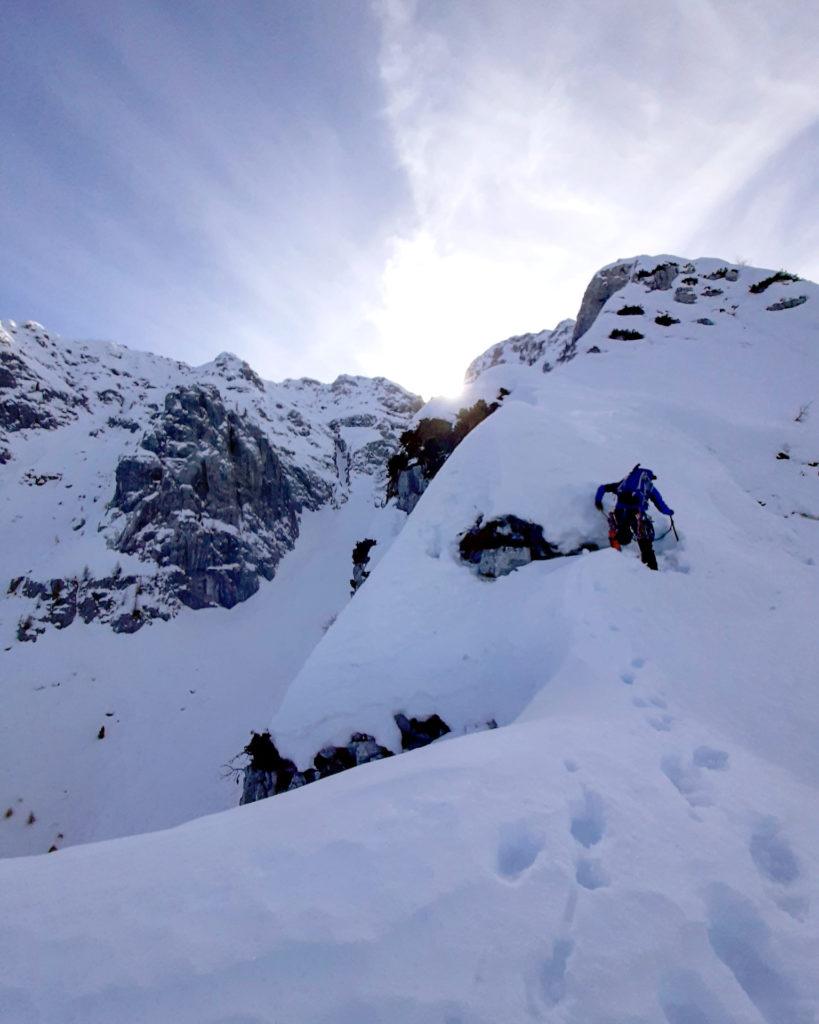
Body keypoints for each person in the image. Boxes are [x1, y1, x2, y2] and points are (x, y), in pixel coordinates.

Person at [595, 464, 674, 571]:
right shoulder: (648, 486)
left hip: (620, 513)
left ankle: (615, 560)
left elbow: (602, 488)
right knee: (645, 544)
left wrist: (598, 501)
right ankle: (651, 570)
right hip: (637, 515)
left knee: (622, 535)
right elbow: (660, 505)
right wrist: (669, 512)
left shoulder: (623, 484)